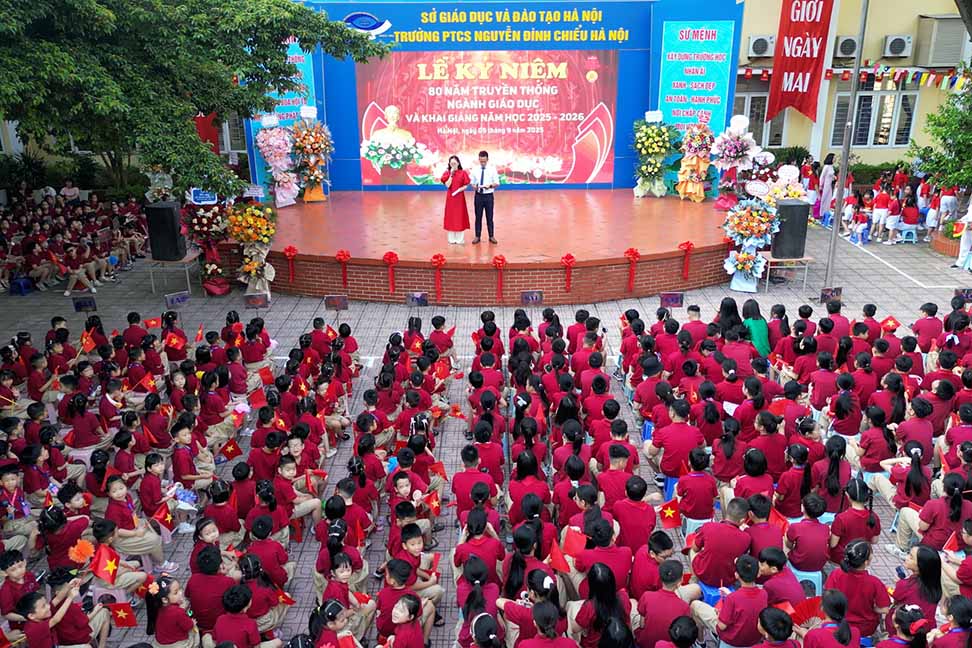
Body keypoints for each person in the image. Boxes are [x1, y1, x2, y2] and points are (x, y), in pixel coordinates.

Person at [470, 150, 500, 245]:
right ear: (478, 159)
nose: (482, 163)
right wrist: (473, 186)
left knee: (489, 217)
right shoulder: (475, 169)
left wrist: (490, 186)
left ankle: (491, 236)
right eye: (481, 161)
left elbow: (497, 183)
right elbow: (472, 182)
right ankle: (477, 236)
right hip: (478, 196)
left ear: (487, 160)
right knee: (478, 217)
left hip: (488, 196)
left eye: (484, 161)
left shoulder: (492, 169)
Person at [441, 155, 471, 244]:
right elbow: (447, 185)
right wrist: (451, 174)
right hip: (451, 198)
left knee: (459, 217)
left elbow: (466, 185)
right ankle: (451, 239)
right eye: (451, 163)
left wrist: (461, 189)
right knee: (451, 217)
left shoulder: (463, 173)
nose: (453, 164)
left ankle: (459, 239)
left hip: (460, 198)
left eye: (454, 163)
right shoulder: (447, 173)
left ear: (458, 163)